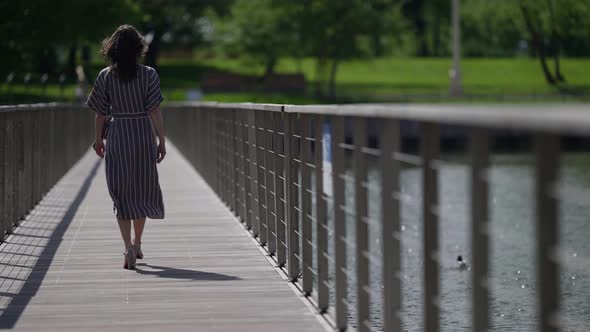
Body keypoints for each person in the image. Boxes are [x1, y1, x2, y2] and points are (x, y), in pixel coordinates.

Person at [86, 25, 166, 270]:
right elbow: (154, 110)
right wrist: (161, 140)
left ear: (113, 49)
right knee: (141, 190)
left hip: (118, 134)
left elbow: (100, 114)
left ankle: (127, 247)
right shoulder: (149, 74)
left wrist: (99, 140)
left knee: (121, 192)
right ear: (138, 48)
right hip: (142, 133)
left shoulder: (105, 76)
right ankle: (138, 242)